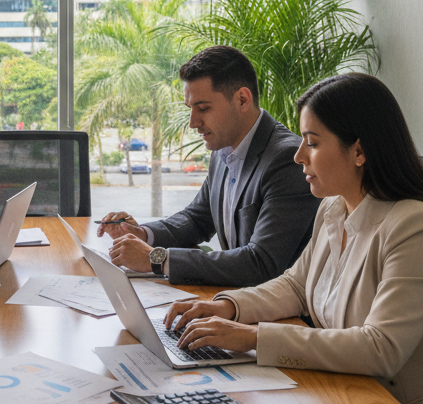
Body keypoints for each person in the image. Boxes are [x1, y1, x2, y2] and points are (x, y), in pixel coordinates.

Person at [163, 73, 423, 404]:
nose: (298, 157)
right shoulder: (334, 209)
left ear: (358, 150)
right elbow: (295, 285)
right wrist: (229, 307)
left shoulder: (416, 227)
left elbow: (380, 349)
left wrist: (251, 338)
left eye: (312, 142)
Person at [98, 45, 318, 286]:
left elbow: (261, 262)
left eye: (203, 108)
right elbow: (197, 219)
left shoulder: (287, 159)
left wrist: (157, 258)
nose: (193, 123)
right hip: (238, 299)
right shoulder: (224, 149)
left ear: (242, 99)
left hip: (280, 315)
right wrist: (143, 234)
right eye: (190, 109)